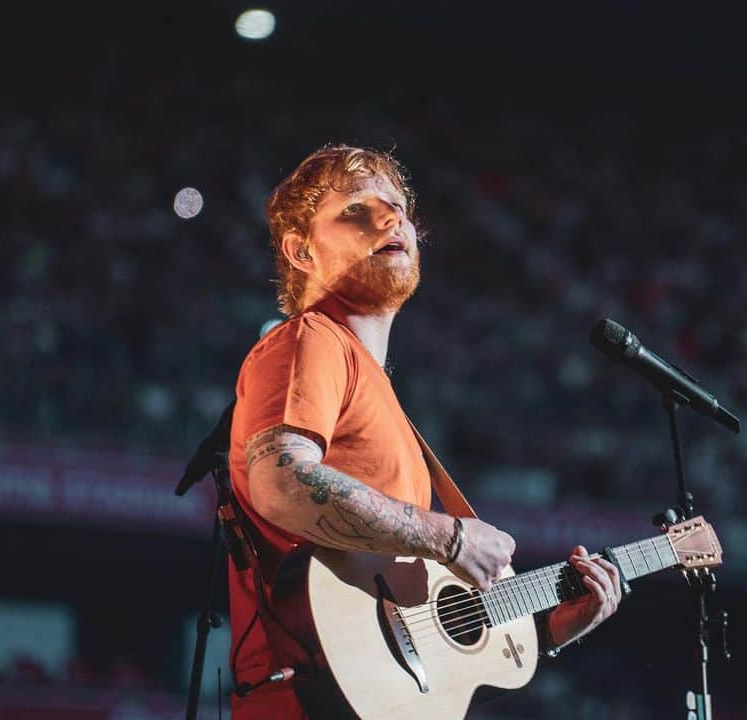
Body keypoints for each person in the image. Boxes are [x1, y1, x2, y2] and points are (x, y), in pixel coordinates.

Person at [227, 144, 624, 719]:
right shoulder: (313, 339)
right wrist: (452, 539)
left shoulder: (374, 388)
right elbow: (281, 481)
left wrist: (551, 631)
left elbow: (403, 634)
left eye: (397, 208)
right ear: (301, 251)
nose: (390, 219)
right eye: (357, 211)